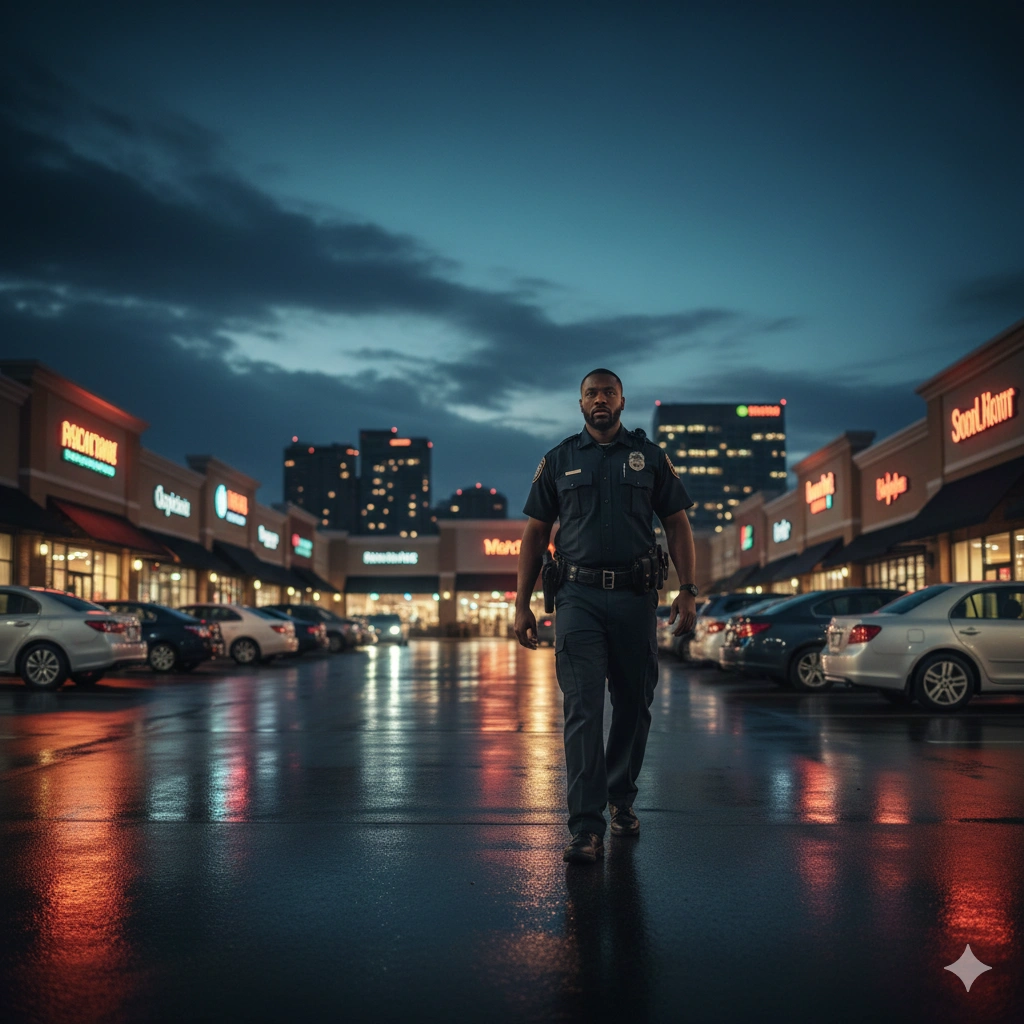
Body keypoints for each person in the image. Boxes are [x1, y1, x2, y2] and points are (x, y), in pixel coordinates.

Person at [514, 369, 698, 864]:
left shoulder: (651, 458)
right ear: (580, 405)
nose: (600, 400)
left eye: (608, 393)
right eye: (591, 393)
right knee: (583, 710)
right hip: (577, 599)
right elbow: (534, 536)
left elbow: (677, 523)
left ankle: (621, 797)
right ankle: (586, 827)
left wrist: (688, 589)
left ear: (621, 401)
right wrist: (522, 604)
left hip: (638, 599)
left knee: (635, 705)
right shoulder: (558, 461)